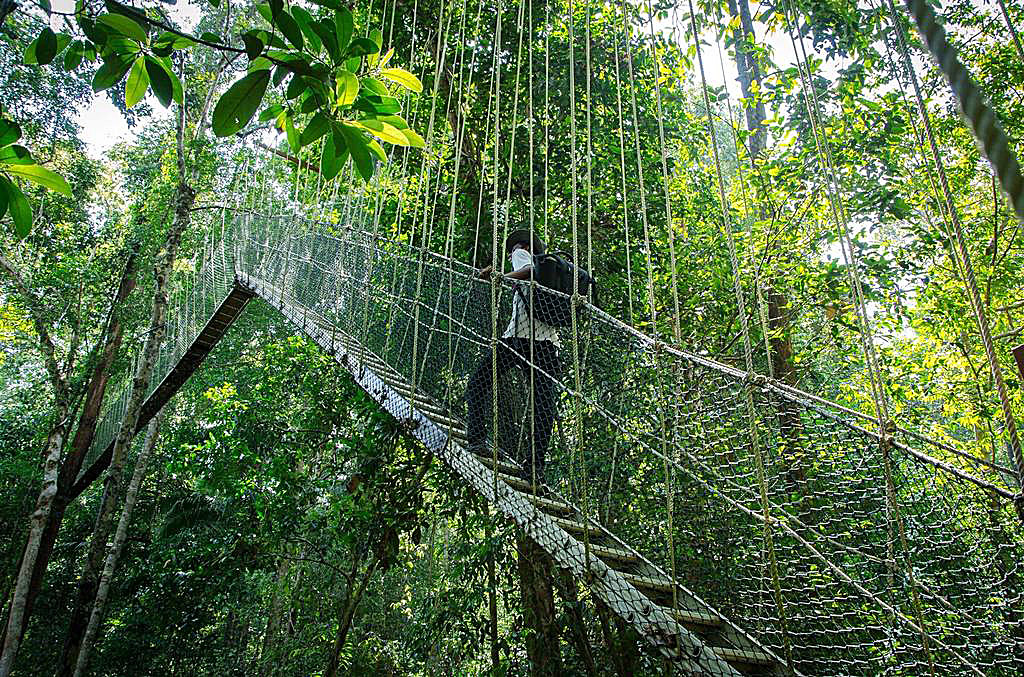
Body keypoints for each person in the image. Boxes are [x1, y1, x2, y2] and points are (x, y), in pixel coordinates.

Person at [466, 228, 562, 482]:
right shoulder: (552, 272)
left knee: (477, 384)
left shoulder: (521, 253)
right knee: (543, 407)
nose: (512, 254)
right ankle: (534, 469)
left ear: (523, 247)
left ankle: (476, 439)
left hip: (518, 340)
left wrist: (500, 277)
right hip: (548, 346)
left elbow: (528, 272)